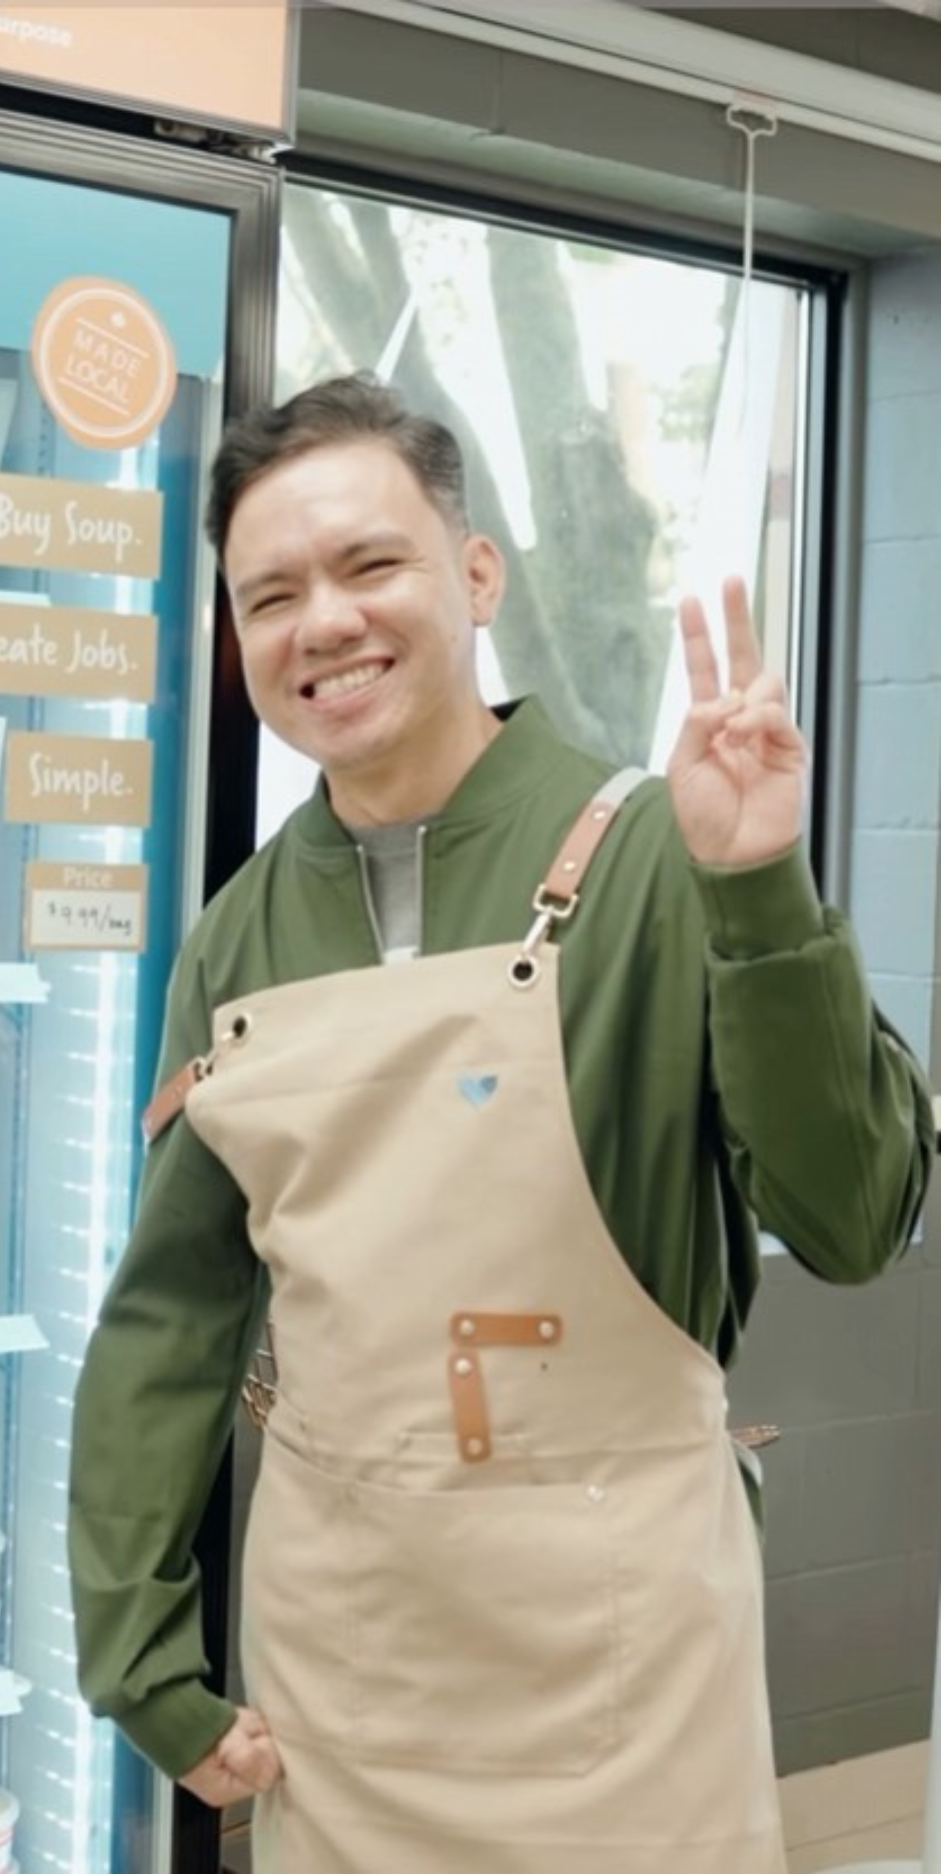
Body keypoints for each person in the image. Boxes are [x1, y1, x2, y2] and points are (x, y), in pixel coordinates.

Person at [67, 374, 934, 1874]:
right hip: (341, 1669)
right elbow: (171, 1316)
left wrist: (758, 899)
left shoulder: (666, 848)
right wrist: (136, 1657)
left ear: (475, 574)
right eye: (268, 596)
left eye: (367, 565)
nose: (320, 623)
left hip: (626, 1670)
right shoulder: (235, 940)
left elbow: (856, 1217)